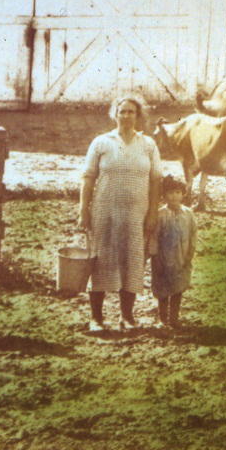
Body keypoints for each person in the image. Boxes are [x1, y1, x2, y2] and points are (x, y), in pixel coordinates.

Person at [77, 96, 161, 333]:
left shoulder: (148, 145)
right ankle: (96, 319)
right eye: (122, 112)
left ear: (138, 115)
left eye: (131, 112)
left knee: (132, 263)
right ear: (115, 115)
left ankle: (127, 317)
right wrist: (84, 210)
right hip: (104, 213)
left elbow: (156, 181)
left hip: (137, 215)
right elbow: (88, 178)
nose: (126, 116)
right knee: (101, 263)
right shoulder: (101, 143)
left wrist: (153, 213)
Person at [148, 174, 197, 330]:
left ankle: (174, 318)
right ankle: (163, 318)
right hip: (163, 260)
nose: (174, 196)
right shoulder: (161, 214)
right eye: (170, 193)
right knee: (163, 289)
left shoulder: (188, 214)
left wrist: (190, 254)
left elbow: (193, 235)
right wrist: (155, 257)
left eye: (177, 192)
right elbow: (154, 238)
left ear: (183, 194)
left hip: (181, 259)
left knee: (178, 287)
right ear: (164, 195)